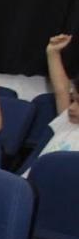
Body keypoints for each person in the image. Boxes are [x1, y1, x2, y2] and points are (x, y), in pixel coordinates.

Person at [27, 33, 79, 170]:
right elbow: (61, 90)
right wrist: (53, 52)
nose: (72, 107)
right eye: (73, 100)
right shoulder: (67, 121)